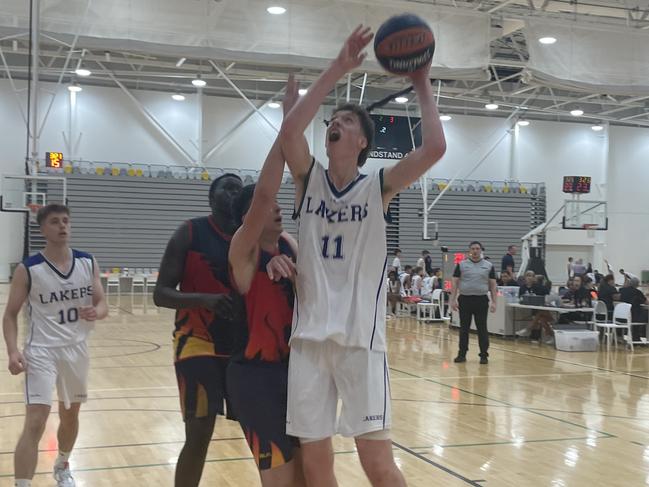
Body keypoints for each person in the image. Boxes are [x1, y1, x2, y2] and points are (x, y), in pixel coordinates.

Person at [279, 25, 446, 487]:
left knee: (377, 464)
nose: (336, 123)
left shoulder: (378, 188)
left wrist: (421, 81)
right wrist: (338, 67)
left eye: (348, 121)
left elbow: (435, 148)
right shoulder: (307, 179)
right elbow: (290, 131)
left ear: (362, 143)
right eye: (333, 119)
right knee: (316, 465)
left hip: (360, 342)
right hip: (309, 342)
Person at [226, 76, 306, 486]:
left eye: (278, 205)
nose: (275, 209)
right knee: (280, 479)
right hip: (254, 378)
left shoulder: (290, 244)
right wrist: (287, 127)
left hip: (297, 371)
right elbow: (262, 194)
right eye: (267, 205)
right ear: (248, 219)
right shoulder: (243, 252)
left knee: (310, 475)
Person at [2, 204, 107, 487]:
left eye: (66, 221)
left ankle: (62, 464)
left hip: (76, 349)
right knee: (35, 420)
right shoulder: (29, 269)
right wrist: (13, 350)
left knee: (70, 415)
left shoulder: (87, 261)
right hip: (41, 351)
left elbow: (102, 302)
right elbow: (10, 315)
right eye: (55, 222)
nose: (62, 226)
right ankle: (21, 484)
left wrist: (97, 311)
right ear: (43, 229)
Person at [153, 173, 243, 487]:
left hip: (241, 347)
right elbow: (161, 293)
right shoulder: (189, 232)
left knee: (260, 430)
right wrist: (204, 300)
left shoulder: (251, 238)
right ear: (211, 197)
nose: (235, 191)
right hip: (196, 343)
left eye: (239, 187)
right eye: (227, 186)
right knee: (200, 431)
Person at [450, 241, 498, 364]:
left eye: (477, 248)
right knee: (464, 328)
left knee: (482, 328)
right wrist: (453, 299)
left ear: (481, 250)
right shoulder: (461, 265)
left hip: (481, 300)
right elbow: (454, 282)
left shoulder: (488, 265)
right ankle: (462, 354)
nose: (475, 251)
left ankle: (483, 355)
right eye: (473, 249)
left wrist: (494, 302)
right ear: (469, 251)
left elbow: (493, 285)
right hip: (465, 299)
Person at [518, 270, 553, 343]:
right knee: (541, 318)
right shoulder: (522, 288)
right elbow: (520, 298)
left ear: (534, 278)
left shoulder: (538, 287)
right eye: (528, 275)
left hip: (540, 308)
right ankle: (551, 336)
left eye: (531, 276)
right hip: (528, 309)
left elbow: (547, 294)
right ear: (525, 277)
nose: (529, 278)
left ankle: (529, 330)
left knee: (539, 313)